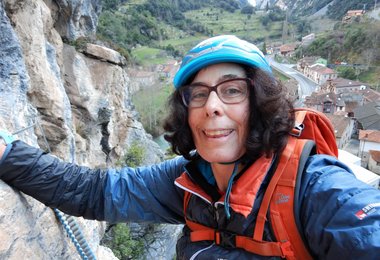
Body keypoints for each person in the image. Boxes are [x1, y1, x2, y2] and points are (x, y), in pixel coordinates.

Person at [1, 35, 380, 259]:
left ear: (260, 103)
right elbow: (96, 192)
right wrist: (7, 155)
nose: (213, 105)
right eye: (199, 95)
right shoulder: (186, 182)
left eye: (232, 90)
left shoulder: (314, 189)